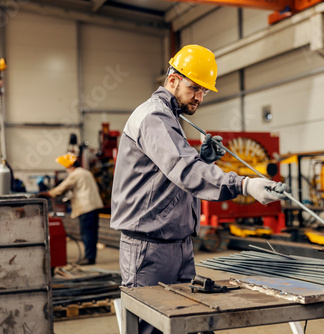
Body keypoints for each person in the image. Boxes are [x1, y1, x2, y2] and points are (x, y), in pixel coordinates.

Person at [110, 44, 285, 333]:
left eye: (204, 91)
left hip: (177, 244)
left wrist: (203, 158)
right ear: (173, 79)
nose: (199, 97)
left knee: (189, 324)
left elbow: (167, 177)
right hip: (149, 248)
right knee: (151, 327)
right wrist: (243, 184)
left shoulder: (170, 117)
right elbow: (184, 170)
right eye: (194, 88)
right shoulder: (153, 117)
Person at [41, 152, 104, 265]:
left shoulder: (75, 174)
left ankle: (89, 258)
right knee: (92, 233)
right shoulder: (85, 172)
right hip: (94, 206)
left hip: (86, 207)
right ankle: (91, 257)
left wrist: (48, 193)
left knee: (86, 233)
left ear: (69, 166)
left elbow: (62, 188)